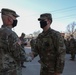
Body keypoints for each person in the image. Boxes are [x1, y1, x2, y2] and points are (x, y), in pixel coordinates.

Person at [0, 8, 25, 75]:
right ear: (9, 19)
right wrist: (31, 56)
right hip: (11, 71)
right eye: (15, 17)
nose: (16, 20)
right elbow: (20, 55)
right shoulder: (11, 34)